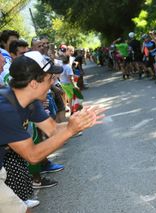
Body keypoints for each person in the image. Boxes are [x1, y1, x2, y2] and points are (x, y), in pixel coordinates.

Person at [0, 51, 104, 213]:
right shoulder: (5, 110)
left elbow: (53, 130)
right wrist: (70, 129)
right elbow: (32, 156)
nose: (53, 83)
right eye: (50, 79)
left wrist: (76, 122)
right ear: (34, 83)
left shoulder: (30, 102)